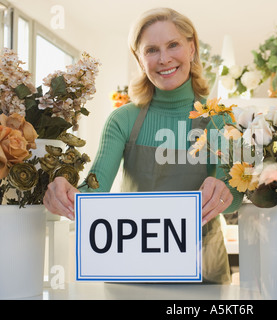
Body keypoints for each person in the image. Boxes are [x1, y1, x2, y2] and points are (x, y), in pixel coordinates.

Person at [43, 7, 243, 284]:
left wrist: (226, 190)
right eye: (151, 50)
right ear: (139, 58)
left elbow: (235, 196)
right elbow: (94, 191)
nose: (164, 59)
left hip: (203, 269)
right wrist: (64, 191)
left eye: (173, 45)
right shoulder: (123, 119)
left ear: (192, 48)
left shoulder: (220, 118)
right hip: (134, 266)